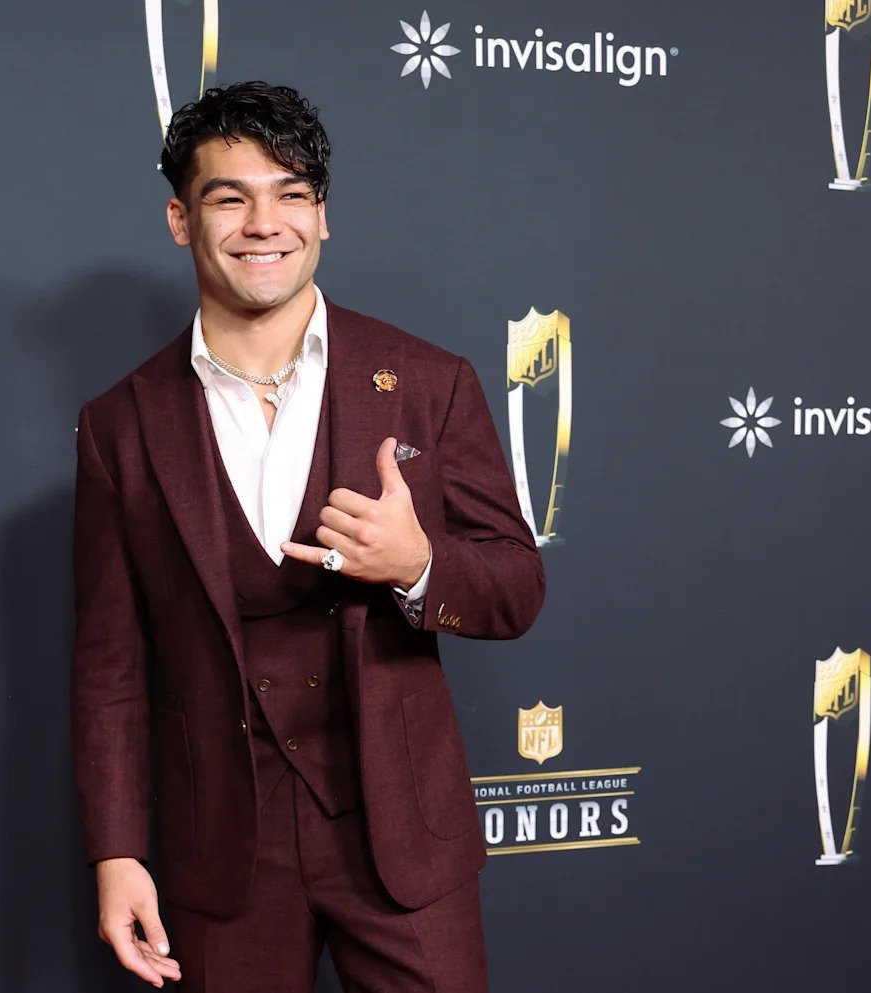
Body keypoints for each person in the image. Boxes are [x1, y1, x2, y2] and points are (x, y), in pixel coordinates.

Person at [71, 80, 545, 993]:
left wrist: (418, 566)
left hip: (404, 837)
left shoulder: (428, 381)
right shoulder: (119, 425)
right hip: (224, 852)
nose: (265, 223)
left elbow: (517, 587)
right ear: (181, 219)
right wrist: (118, 853)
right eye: (229, 198)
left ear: (322, 215)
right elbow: (109, 666)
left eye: (290, 194)